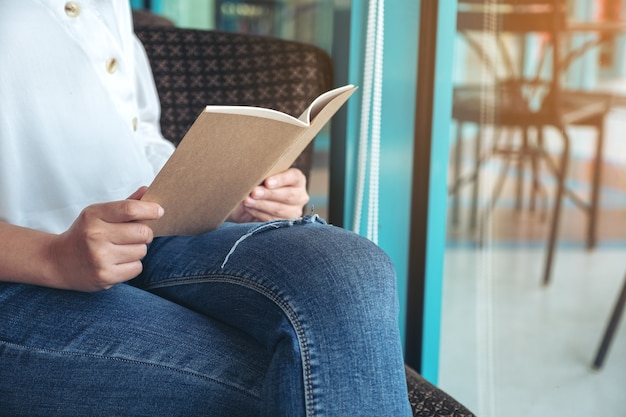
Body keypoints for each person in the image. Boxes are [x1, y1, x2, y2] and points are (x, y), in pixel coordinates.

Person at [0, 1, 412, 416]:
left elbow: (138, 135)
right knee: (314, 377)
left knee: (347, 269)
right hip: (24, 275)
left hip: (149, 234)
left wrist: (226, 194)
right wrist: (53, 256)